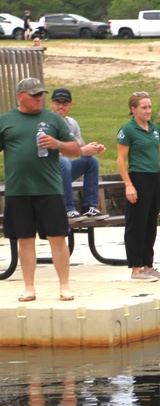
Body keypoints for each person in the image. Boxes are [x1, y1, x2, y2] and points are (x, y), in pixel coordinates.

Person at [0, 77, 82, 302]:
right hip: (19, 190)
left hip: (49, 189)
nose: (39, 99)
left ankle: (64, 286)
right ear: (20, 96)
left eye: (41, 95)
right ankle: (29, 288)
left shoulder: (53, 119)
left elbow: (76, 149)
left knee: (57, 237)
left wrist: (57, 144)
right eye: (34, 95)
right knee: (24, 239)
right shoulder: (5, 120)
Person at [116, 91, 160, 282]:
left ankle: (149, 265)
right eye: (143, 107)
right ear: (133, 109)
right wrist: (128, 185)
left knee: (150, 223)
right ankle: (136, 268)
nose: (148, 111)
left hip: (154, 177)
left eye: (149, 107)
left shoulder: (154, 128)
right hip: (138, 177)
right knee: (137, 223)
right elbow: (121, 159)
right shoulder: (128, 130)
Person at [47, 88, 109, 223]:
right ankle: (68, 209)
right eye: (58, 103)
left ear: (71, 105)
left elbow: (80, 146)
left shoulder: (72, 123)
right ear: (51, 103)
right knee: (65, 161)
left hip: (64, 171)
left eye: (65, 103)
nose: (61, 106)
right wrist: (81, 150)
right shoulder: (47, 123)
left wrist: (93, 149)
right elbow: (48, 151)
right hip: (48, 172)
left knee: (92, 161)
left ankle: (89, 207)